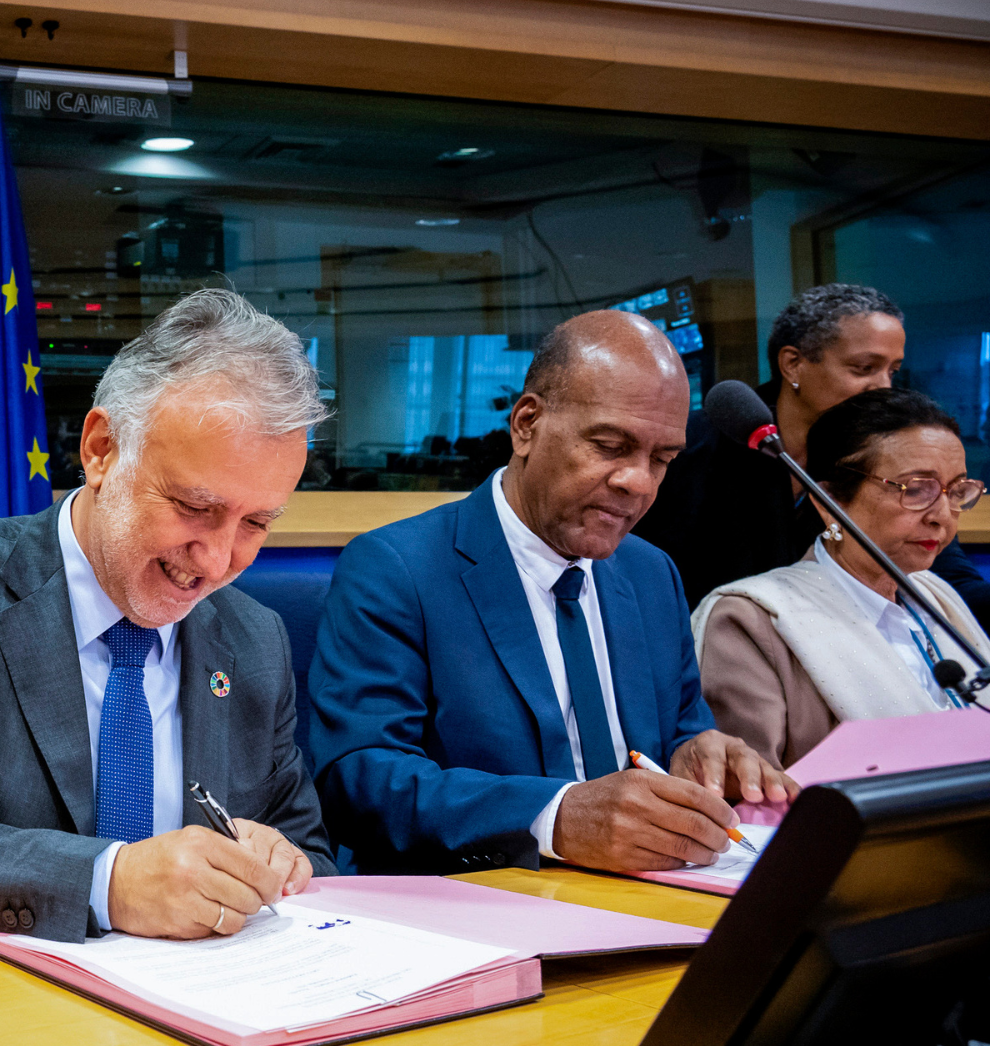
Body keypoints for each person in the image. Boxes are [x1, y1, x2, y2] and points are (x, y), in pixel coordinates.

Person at [0, 289, 337, 965]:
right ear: (103, 449)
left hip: (183, 1018)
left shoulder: (253, 640)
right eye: (197, 507)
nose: (221, 559)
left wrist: (283, 865)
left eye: (256, 523)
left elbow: (308, 851)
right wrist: (108, 882)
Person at [311, 310, 796, 876]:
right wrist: (556, 818)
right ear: (526, 424)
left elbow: (680, 732)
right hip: (487, 904)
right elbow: (359, 779)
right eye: (611, 445)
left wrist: (703, 757)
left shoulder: (651, 573)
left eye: (661, 460)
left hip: (658, 895)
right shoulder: (399, 568)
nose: (638, 481)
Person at [637, 283, 990, 622]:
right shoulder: (691, 448)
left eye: (892, 371)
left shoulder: (884, 456)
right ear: (793, 364)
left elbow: (951, 578)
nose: (882, 387)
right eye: (863, 369)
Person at [695, 388, 988, 765]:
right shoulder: (751, 621)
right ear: (828, 502)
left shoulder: (936, 597)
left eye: (956, 491)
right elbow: (747, 798)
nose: (942, 515)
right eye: (915, 489)